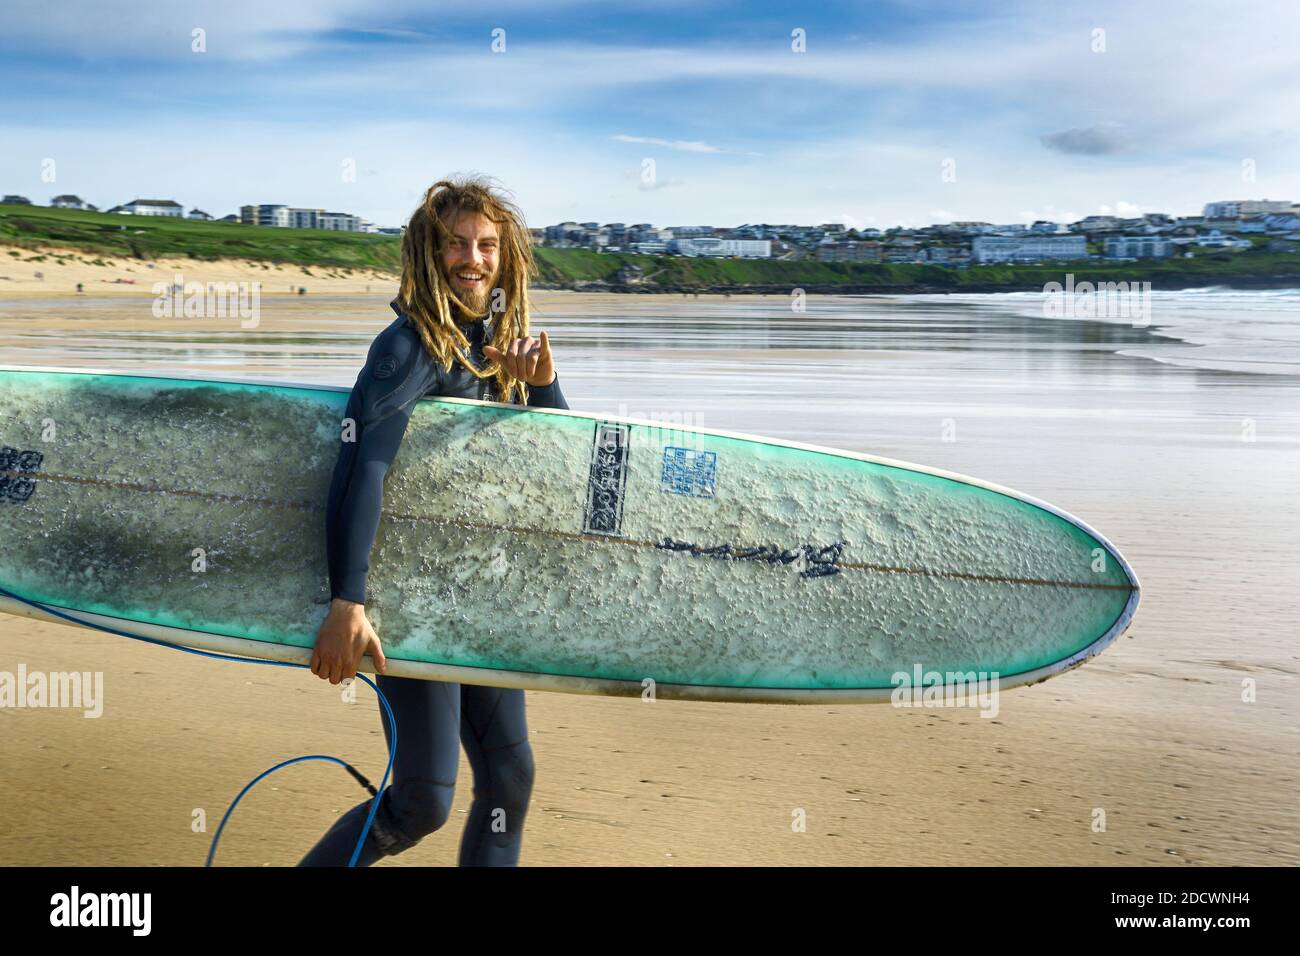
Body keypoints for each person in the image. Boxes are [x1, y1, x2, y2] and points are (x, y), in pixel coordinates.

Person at [300, 177, 569, 866]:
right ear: (428, 251)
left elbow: (555, 470)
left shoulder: (494, 346)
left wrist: (542, 385)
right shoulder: (410, 346)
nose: (472, 258)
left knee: (510, 777)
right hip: (407, 596)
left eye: (486, 245)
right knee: (422, 800)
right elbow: (363, 468)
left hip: (476, 593)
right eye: (455, 244)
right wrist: (347, 602)